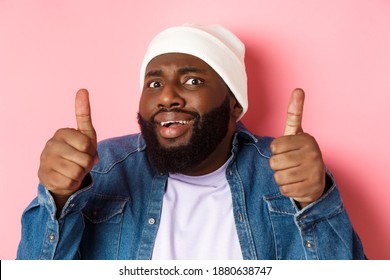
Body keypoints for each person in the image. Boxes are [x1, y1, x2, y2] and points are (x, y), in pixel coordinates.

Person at [17, 24, 365, 260]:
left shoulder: (287, 171)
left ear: (234, 104)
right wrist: (59, 199)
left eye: (193, 81)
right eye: (153, 84)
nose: (167, 96)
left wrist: (315, 202)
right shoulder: (100, 168)